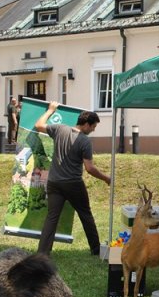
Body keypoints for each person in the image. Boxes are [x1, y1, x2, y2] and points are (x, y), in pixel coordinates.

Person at [34, 101, 111, 256]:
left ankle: (42, 253)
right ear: (87, 124)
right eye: (94, 126)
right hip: (73, 184)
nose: (93, 130)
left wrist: (50, 110)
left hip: (54, 182)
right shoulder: (84, 141)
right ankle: (96, 249)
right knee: (85, 214)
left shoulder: (60, 129)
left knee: (52, 217)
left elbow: (38, 125)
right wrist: (106, 178)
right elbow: (89, 168)